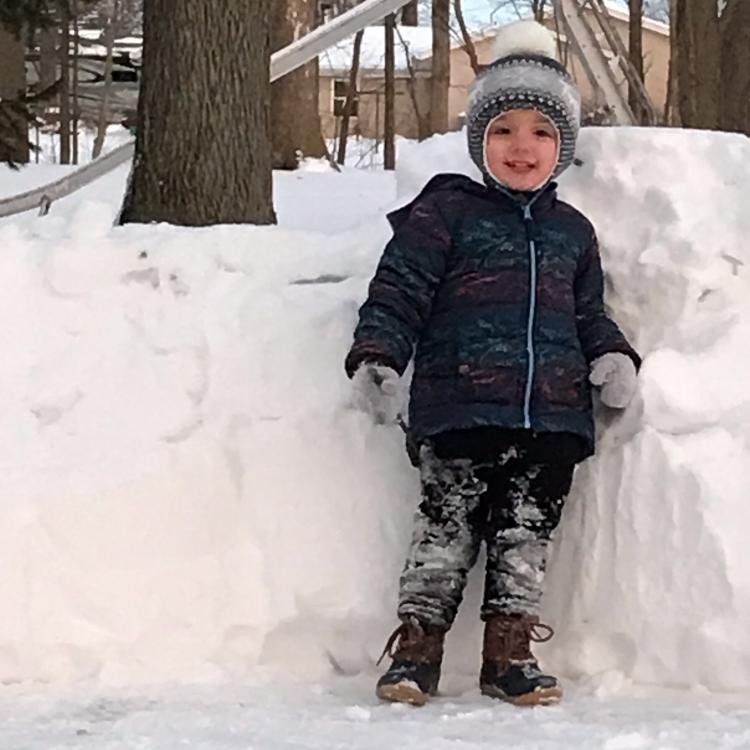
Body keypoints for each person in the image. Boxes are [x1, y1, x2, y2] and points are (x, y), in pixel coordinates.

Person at [345, 20, 641, 707]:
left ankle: (508, 658)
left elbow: (590, 312)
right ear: (480, 140)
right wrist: (378, 356)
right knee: (444, 535)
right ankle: (416, 651)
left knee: (523, 541)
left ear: (561, 146)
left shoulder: (574, 232)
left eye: (541, 131)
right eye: (504, 129)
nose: (522, 147)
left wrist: (612, 356)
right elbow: (399, 292)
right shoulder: (445, 213)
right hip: (461, 407)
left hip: (552, 418)